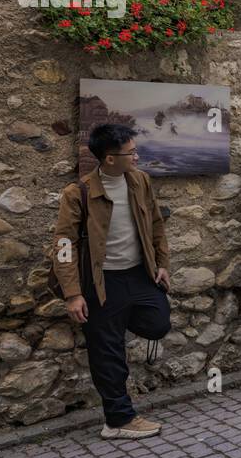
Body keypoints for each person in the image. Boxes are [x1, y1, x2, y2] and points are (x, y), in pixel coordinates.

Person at [52, 123, 171, 440]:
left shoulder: (140, 181)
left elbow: (156, 225)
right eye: (130, 152)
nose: (136, 156)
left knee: (158, 322)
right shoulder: (78, 193)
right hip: (100, 282)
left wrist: (162, 263)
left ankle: (113, 327)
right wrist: (73, 294)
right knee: (107, 352)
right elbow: (64, 245)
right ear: (108, 158)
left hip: (138, 274)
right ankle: (118, 420)